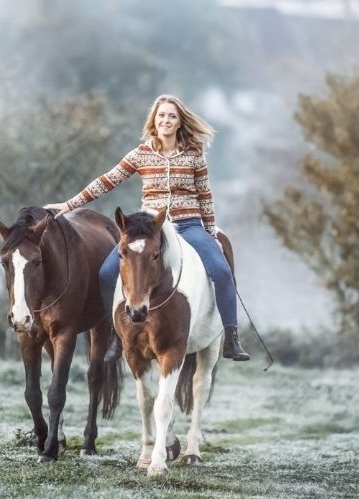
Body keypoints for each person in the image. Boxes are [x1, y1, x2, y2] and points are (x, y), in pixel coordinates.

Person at [45, 94, 250, 362]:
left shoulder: (194, 156)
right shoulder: (141, 154)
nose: (166, 120)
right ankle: (117, 337)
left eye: (172, 116)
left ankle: (231, 338)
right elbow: (107, 181)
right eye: (161, 115)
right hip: (150, 229)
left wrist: (210, 232)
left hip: (187, 226)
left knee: (222, 271)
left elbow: (205, 196)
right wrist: (70, 204)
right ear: (154, 119)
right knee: (107, 274)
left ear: (179, 122)